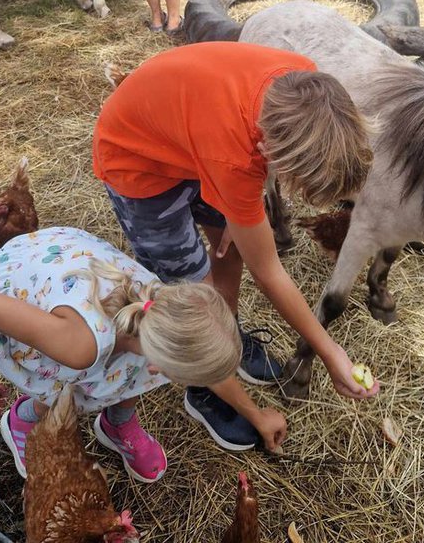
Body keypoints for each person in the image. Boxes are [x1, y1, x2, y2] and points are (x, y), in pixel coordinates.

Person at [93, 41, 378, 453]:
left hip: (193, 138)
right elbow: (270, 272)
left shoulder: (304, 85)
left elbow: (251, 214)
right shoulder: (234, 157)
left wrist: (240, 208)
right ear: (266, 150)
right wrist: (331, 353)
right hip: (139, 163)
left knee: (233, 246)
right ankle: (203, 381)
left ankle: (227, 338)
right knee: (192, 294)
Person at [0, 226, 276, 482]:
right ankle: (23, 419)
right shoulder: (79, 346)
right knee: (64, 380)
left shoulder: (157, 305)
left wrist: (256, 415)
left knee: (128, 369)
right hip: (3, 292)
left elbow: (205, 361)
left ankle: (118, 423)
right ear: (162, 364)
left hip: (56, 261)